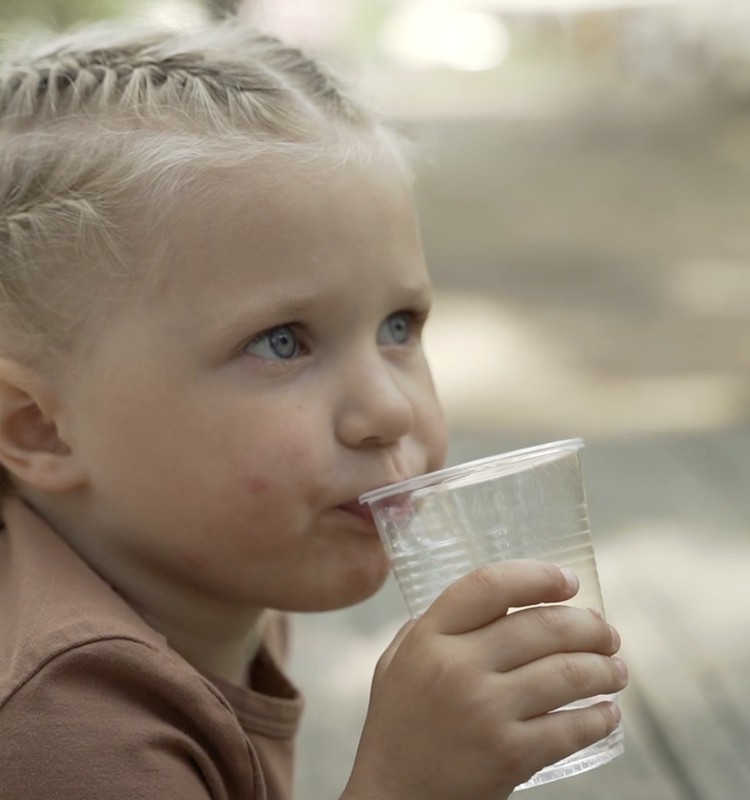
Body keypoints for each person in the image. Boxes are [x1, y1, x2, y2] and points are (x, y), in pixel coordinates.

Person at [0, 19, 627, 800]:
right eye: (281, 342)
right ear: (37, 427)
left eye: (399, 327)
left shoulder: (218, 584)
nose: (388, 410)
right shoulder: (66, 726)